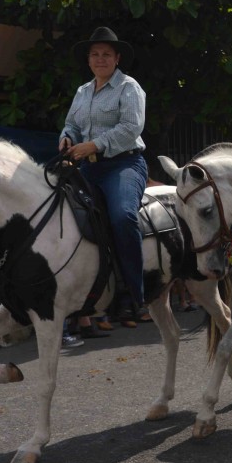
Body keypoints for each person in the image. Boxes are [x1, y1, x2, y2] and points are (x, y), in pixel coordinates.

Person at [59, 26, 148, 328]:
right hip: (88, 167)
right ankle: (79, 303)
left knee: (123, 217)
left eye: (106, 54)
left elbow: (130, 129)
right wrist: (67, 138)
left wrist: (93, 145)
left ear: (117, 58)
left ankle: (136, 297)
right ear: (88, 60)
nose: (100, 59)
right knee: (59, 214)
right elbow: (71, 123)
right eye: (95, 54)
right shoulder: (82, 92)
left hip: (123, 164)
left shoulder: (129, 88)